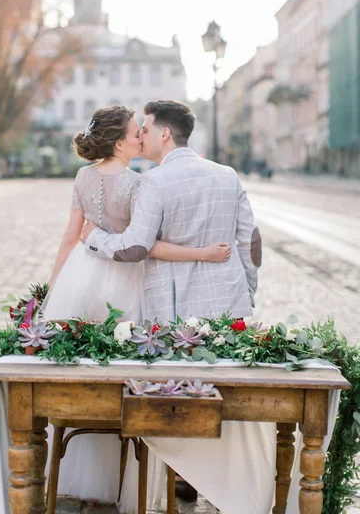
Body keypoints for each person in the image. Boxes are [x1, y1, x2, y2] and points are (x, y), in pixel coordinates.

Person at [42, 104, 231, 511]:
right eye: (135, 132)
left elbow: (69, 238)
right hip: (125, 283)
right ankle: (125, 472)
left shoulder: (81, 177)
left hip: (81, 276)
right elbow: (144, 247)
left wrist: (54, 289)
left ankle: (80, 466)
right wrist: (201, 252)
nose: (141, 137)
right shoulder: (139, 183)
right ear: (120, 141)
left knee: (80, 376)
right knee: (126, 376)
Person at [82, 100, 262, 322]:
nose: (141, 137)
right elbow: (251, 241)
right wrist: (247, 289)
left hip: (174, 309)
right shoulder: (228, 175)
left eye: (145, 131)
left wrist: (94, 237)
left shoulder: (153, 181)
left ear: (164, 134)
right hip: (230, 302)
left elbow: (135, 247)